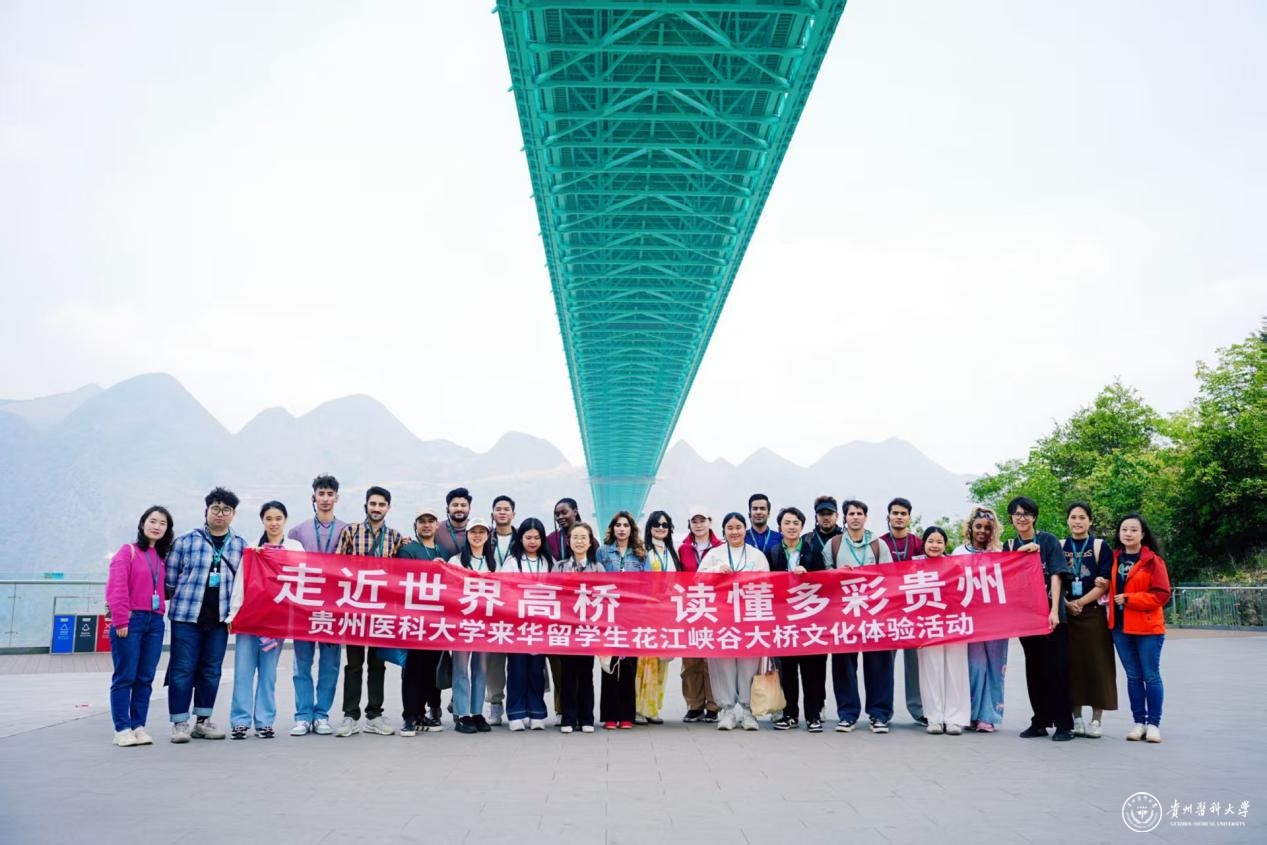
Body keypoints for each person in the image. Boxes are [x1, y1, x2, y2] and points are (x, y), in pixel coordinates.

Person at [165, 487, 245, 743]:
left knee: (211, 670)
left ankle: (203, 721)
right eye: (215, 508)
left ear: (233, 514)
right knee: (182, 669)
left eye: (226, 510)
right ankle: (179, 723)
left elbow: (244, 584)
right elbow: (169, 580)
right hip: (186, 617)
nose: (220, 514)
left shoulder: (240, 545)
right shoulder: (186, 541)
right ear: (206, 510)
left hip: (220, 619)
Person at [334, 486, 406, 737]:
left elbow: (401, 573)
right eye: (373, 504)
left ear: (388, 508)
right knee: (353, 665)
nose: (376, 508)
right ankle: (350, 716)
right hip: (354, 608)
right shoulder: (351, 531)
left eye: (381, 504)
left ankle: (374, 715)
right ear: (366, 505)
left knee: (378, 665)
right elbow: (335, 566)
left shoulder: (395, 537)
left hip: (381, 611)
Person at [1003, 496, 1075, 742]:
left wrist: (1054, 610)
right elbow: (1006, 577)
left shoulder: (1048, 540)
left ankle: (1064, 724)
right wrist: (1020, 554)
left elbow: (1057, 574)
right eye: (1017, 514)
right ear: (1011, 518)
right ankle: (1040, 721)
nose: (1022, 518)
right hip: (1026, 618)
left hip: (1052, 616)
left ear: (1034, 517)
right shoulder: (1009, 545)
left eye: (1027, 513)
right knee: (1034, 669)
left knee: (1057, 669)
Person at [227, 501, 300, 739]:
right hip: (249, 618)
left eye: (278, 518)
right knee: (243, 672)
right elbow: (241, 582)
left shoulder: (295, 548)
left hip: (275, 621)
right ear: (262, 521)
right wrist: (233, 614)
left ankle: (264, 721)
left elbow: (304, 578)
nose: (274, 523)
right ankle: (240, 721)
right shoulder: (252, 549)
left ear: (285, 520)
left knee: (268, 674)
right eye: (269, 518)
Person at [825, 499, 895, 734]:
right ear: (844, 518)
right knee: (843, 666)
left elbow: (890, 577)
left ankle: (879, 715)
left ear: (866, 517)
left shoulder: (878, 545)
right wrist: (836, 574)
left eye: (859, 513)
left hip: (875, 613)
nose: (855, 517)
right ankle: (847, 715)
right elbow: (823, 578)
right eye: (851, 513)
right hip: (844, 614)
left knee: (879, 666)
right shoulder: (834, 544)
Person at [106, 505, 173, 747]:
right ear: (143, 523)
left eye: (162, 523)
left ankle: (138, 726)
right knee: (125, 676)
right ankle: (122, 728)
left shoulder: (161, 558)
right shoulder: (128, 551)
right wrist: (120, 619)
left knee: (145, 677)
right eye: (152, 521)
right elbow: (116, 586)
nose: (157, 526)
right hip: (131, 620)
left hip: (155, 621)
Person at [1101, 513, 1170, 743]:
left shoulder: (1153, 561)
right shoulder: (1113, 558)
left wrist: (1130, 599)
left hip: (1148, 628)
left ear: (1142, 534)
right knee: (1133, 676)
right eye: (1124, 529)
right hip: (1120, 628)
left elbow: (1161, 595)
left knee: (1150, 675)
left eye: (1133, 530)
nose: (1128, 534)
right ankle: (1139, 722)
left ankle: (1154, 724)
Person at [286, 474, 346, 736]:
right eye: (321, 494)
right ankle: (302, 715)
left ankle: (322, 714)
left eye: (330, 494)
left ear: (337, 498)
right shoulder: (297, 532)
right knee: (302, 662)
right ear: (314, 497)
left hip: (334, 607)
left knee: (330, 664)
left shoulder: (346, 530)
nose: (325, 498)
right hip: (304, 606)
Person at [698, 512, 770, 731]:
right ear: (724, 531)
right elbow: (697, 579)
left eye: (738, 527)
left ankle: (749, 711)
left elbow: (768, 583)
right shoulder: (714, 554)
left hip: (749, 620)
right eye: (730, 528)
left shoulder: (757, 555)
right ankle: (727, 710)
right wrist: (715, 571)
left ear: (744, 529)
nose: (734, 531)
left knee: (749, 666)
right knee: (723, 665)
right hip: (722, 619)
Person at [767, 506, 827, 732]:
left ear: (802, 527)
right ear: (780, 527)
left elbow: (824, 584)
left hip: (809, 621)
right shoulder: (773, 552)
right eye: (787, 523)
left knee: (812, 671)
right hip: (783, 621)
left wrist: (808, 576)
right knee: (788, 671)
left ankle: (813, 716)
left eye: (795, 523)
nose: (791, 527)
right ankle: (790, 714)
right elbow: (766, 584)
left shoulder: (813, 551)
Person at [1062, 501, 1117, 738]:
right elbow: (1052, 579)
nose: (1077, 521)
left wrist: (1080, 603)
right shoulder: (1060, 546)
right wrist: (1066, 604)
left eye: (1082, 517)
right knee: (1071, 667)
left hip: (1093, 614)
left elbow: (1105, 582)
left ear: (1090, 521)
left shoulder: (1099, 546)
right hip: (1067, 616)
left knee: (1098, 666)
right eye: (1073, 517)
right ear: (1067, 520)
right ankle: (1076, 718)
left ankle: (1096, 720)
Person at [953, 505, 1007, 732]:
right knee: (975, 666)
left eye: (987, 527)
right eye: (978, 526)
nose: (982, 531)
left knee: (995, 667)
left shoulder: (1001, 554)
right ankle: (971, 713)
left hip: (996, 620)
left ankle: (988, 716)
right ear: (970, 527)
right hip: (970, 619)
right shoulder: (958, 552)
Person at [396, 506, 448, 736]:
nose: (426, 525)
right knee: (412, 670)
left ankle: (421, 713)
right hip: (415, 621)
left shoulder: (443, 551)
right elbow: (402, 580)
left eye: (430, 521)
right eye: (422, 521)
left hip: (437, 622)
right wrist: (430, 569)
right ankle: (409, 716)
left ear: (437, 525)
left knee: (430, 670)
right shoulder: (408, 550)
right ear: (415, 525)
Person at [499, 517, 555, 731]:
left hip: (541, 625)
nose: (532, 541)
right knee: (517, 670)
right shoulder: (512, 561)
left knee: (536, 671)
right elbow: (504, 589)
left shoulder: (549, 562)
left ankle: (536, 713)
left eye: (536, 537)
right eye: (528, 537)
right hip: (517, 625)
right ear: (520, 538)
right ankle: (516, 713)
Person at [914, 526, 970, 735]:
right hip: (928, 625)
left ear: (945, 544)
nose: (935, 545)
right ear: (924, 543)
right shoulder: (914, 565)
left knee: (956, 670)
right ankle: (934, 718)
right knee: (930, 670)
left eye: (939, 542)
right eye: (931, 541)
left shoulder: (955, 565)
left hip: (954, 623)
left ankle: (955, 719)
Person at [597, 510, 647, 729]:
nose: (621, 529)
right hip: (608, 614)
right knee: (608, 664)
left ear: (631, 529)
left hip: (632, 616)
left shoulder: (641, 553)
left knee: (628, 666)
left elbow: (647, 584)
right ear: (612, 528)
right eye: (618, 525)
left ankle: (626, 714)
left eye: (626, 525)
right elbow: (596, 580)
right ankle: (609, 715)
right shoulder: (603, 551)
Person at [880, 497, 926, 726]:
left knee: (915, 664)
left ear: (909, 517)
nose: (899, 517)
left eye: (903, 513)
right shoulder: (879, 543)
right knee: (884, 664)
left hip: (913, 612)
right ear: (888, 516)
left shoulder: (918, 543)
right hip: (887, 612)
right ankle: (883, 712)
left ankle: (919, 709)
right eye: (895, 513)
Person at [447, 517, 497, 734]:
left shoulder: (494, 563)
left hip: (485, 624)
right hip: (462, 623)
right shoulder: (456, 561)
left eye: (482, 532)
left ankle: (477, 712)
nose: (477, 536)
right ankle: (462, 713)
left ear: (487, 536)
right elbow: (449, 590)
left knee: (481, 669)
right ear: (467, 535)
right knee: (460, 669)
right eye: (473, 532)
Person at [555, 522, 603, 734]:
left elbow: (604, 598)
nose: (579, 541)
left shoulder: (597, 568)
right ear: (569, 541)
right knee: (567, 673)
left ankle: (586, 718)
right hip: (566, 628)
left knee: (586, 673)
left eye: (584, 537)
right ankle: (568, 717)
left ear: (590, 542)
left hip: (589, 628)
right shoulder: (559, 566)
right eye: (575, 537)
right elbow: (553, 594)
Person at [676, 505, 721, 723]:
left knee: (712, 661)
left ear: (710, 522)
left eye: (703, 520)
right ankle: (694, 705)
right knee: (691, 661)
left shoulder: (721, 547)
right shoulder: (683, 549)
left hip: (714, 610)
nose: (699, 525)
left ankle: (713, 705)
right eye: (694, 521)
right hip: (690, 610)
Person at [635, 510, 679, 725]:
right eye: (656, 524)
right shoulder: (643, 551)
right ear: (649, 527)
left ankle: (653, 708)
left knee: (662, 662)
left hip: (667, 613)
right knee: (645, 662)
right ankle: (638, 708)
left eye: (665, 525)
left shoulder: (672, 552)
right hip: (646, 612)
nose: (661, 528)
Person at [544, 497, 581, 719]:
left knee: (578, 662)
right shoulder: (550, 540)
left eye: (564, 512)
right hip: (556, 609)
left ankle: (578, 708)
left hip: (581, 609)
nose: (560, 517)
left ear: (575, 511)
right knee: (557, 661)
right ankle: (561, 708)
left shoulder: (587, 537)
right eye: (557, 514)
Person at [484, 494, 517, 726]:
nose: (502, 512)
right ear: (493, 513)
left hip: (517, 607)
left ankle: (517, 704)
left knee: (518, 658)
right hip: (492, 606)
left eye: (506, 509)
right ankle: (495, 703)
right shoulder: (484, 537)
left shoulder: (523, 537)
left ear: (513, 514)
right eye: (498, 509)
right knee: (494, 659)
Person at [435, 487, 472, 560]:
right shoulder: (437, 528)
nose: (459, 509)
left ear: (469, 509)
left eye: (463, 505)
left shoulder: (479, 529)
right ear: (447, 509)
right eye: (455, 505)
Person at [806, 495, 843, 563]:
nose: (826, 518)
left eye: (829, 514)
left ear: (837, 516)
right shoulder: (806, 540)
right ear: (816, 517)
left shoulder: (846, 537)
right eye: (822, 514)